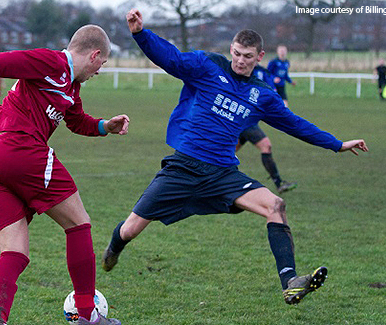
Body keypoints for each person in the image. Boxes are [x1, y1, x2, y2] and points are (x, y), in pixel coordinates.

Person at [102, 9, 368, 307]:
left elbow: (295, 124)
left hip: (223, 175)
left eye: (248, 56)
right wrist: (140, 33)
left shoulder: (263, 94)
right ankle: (114, 247)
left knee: (275, 205)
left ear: (260, 56)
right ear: (231, 49)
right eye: (238, 54)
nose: (241, 60)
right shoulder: (207, 65)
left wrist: (336, 144)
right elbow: (171, 58)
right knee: (129, 229)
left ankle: (290, 281)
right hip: (183, 168)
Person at [0, 25, 128, 325]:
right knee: (79, 224)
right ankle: (88, 315)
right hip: (19, 147)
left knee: (15, 253)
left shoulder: (71, 87)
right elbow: (5, 61)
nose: (100, 71)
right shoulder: (54, 63)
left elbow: (76, 122)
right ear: (95, 54)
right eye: (102, 63)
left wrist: (104, 126)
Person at [236, 64, 297, 194]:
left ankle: (204, 175)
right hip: (244, 121)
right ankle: (279, 183)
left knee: (228, 150)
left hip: (248, 120)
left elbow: (271, 90)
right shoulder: (238, 70)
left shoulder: (263, 72)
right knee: (266, 146)